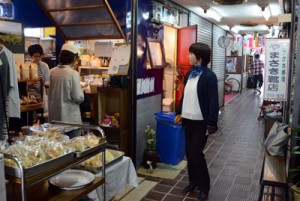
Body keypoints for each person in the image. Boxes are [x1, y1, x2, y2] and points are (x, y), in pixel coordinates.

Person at [174, 42, 219, 201]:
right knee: (189, 153)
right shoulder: (189, 74)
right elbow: (185, 96)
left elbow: (214, 102)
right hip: (188, 120)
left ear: (200, 57)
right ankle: (193, 183)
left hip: (201, 122)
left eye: (191, 53)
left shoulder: (209, 76)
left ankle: (204, 187)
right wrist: (179, 112)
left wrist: (211, 123)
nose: (188, 56)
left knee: (196, 153)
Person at [48, 43, 84, 138]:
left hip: (55, 119)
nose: (76, 62)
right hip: (70, 121)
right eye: (76, 59)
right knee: (72, 147)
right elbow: (78, 97)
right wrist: (82, 91)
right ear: (73, 58)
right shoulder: (73, 74)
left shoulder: (52, 71)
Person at [26, 44, 50, 124]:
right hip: (28, 98)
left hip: (40, 97)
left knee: (42, 118)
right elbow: (23, 84)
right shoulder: (26, 66)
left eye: (39, 56)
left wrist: (46, 84)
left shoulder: (44, 66)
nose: (37, 59)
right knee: (29, 119)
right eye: (35, 56)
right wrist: (30, 84)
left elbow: (47, 79)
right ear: (30, 55)